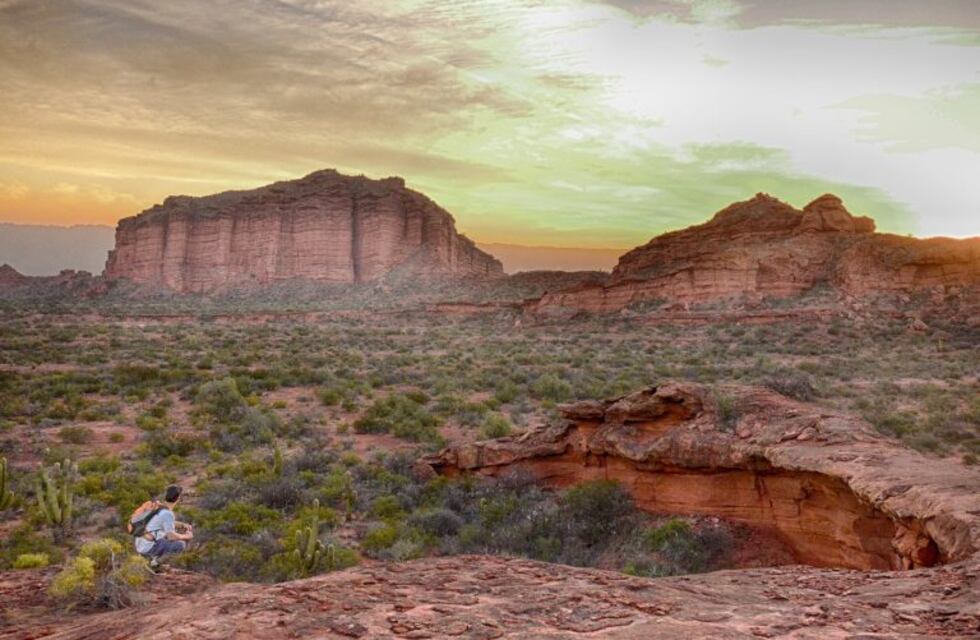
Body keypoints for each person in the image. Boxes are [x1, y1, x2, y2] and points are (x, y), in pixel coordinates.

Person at [135, 484, 193, 569]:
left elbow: (162, 521)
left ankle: (153, 560)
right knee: (180, 544)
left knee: (168, 535)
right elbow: (171, 537)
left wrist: (181, 525)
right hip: (148, 548)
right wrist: (187, 536)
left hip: (141, 545)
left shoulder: (158, 507)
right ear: (178, 499)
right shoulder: (168, 514)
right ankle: (155, 563)